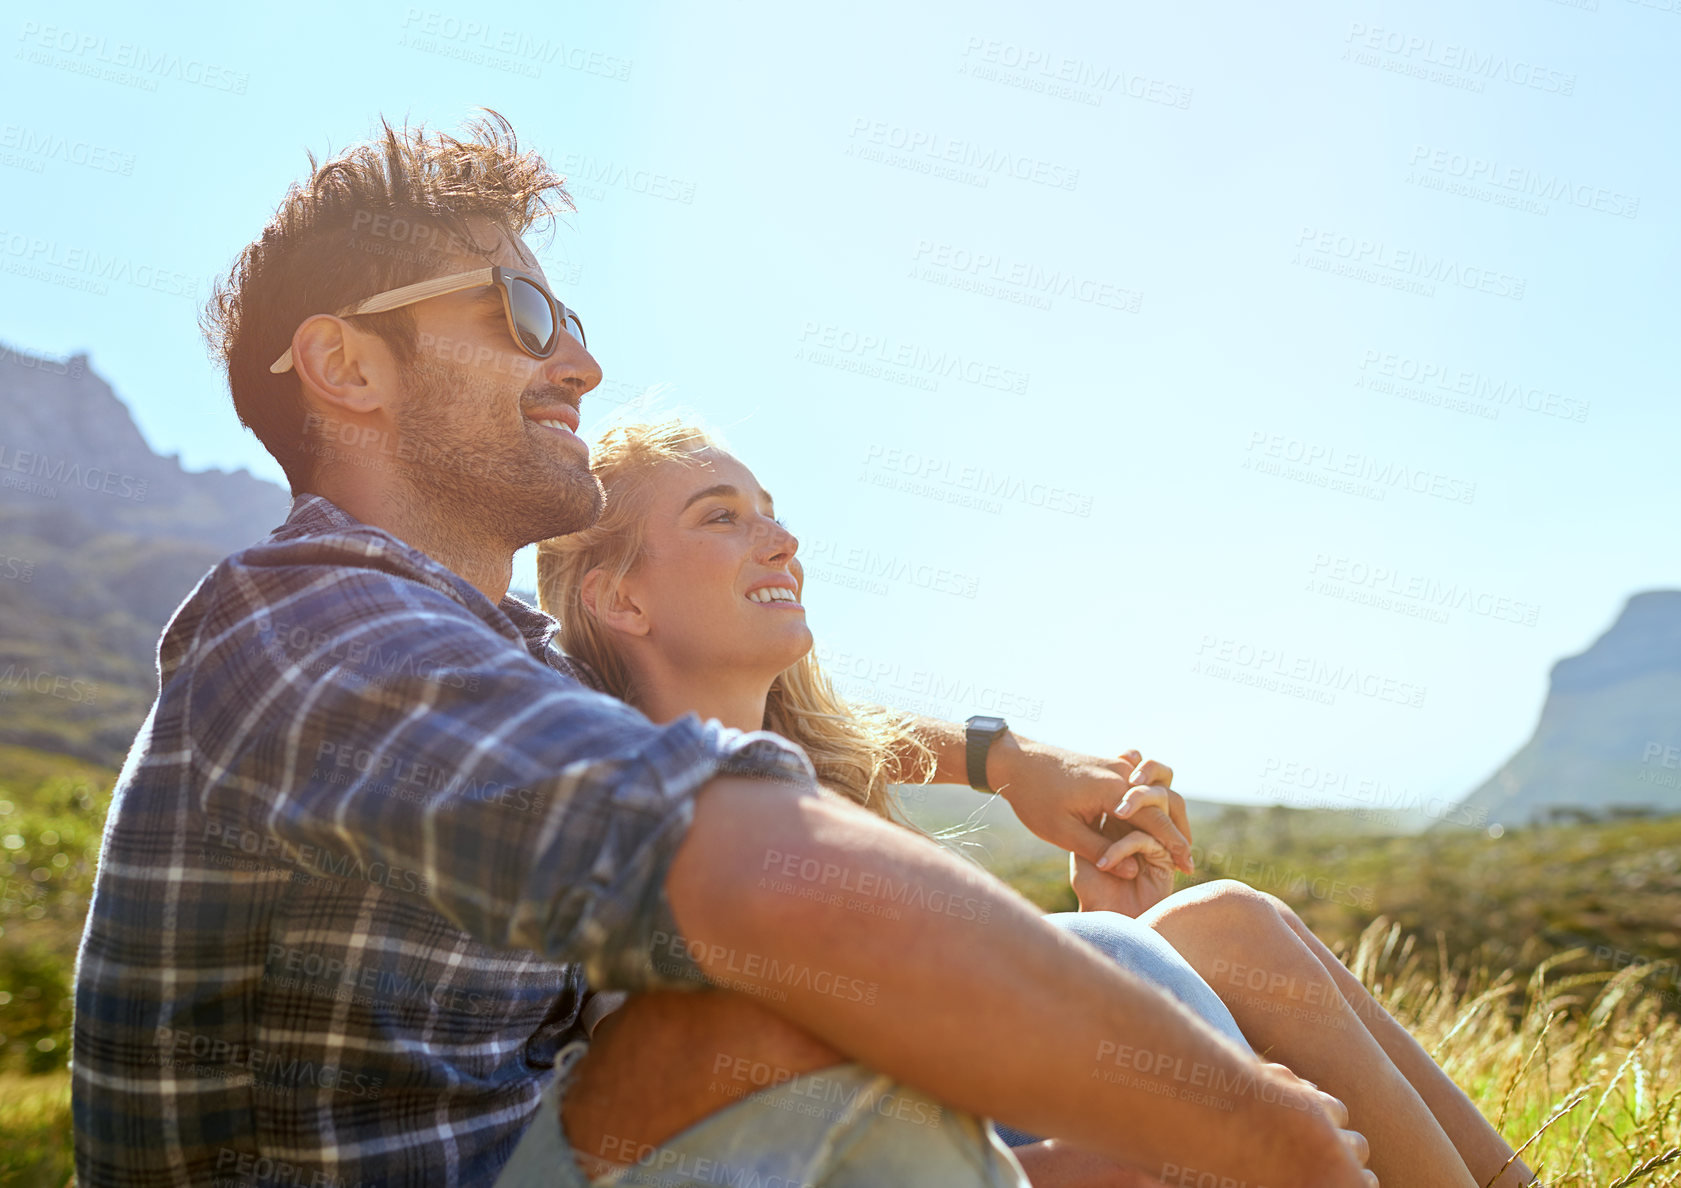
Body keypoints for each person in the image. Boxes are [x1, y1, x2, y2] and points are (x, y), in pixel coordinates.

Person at [69, 112, 1373, 1188]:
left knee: (1096, 972)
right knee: (779, 996)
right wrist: (1263, 1134)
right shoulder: (308, 626)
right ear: (346, 367)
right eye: (523, 309)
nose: (577, 360)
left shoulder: (484, 666)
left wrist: (997, 760)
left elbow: (755, 749)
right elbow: (777, 886)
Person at [532, 416, 1537, 1188]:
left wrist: (1085, 886)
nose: (783, 538)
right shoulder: (622, 803)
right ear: (621, 599)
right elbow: (761, 1125)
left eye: (771, 509)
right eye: (722, 516)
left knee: (1222, 924)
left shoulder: (811, 778)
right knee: (1164, 955)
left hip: (957, 1125)